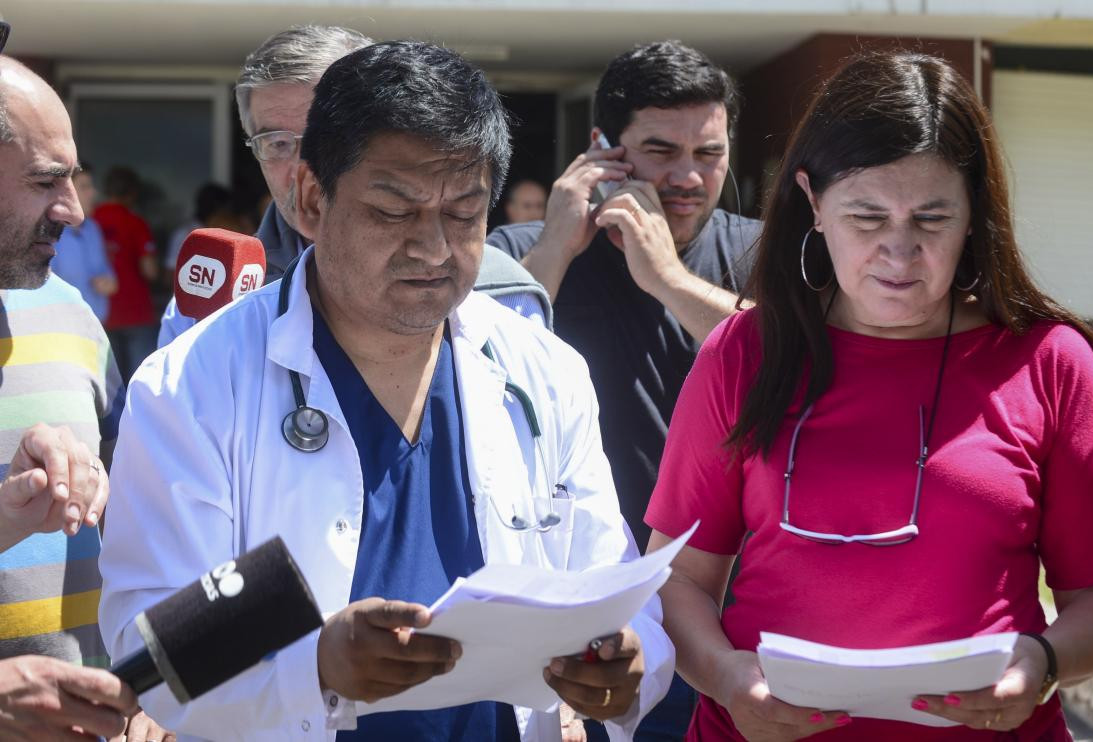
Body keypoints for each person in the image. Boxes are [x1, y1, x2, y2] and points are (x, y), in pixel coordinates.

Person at [98, 40, 672, 741]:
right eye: (394, 210)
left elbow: (606, 581)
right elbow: (146, 654)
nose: (433, 247)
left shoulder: (542, 370)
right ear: (312, 198)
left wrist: (630, 660)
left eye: (463, 213)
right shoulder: (191, 385)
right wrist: (313, 669)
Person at [644, 50, 1093, 741]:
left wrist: (1043, 659)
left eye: (932, 219)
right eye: (868, 217)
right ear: (813, 202)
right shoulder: (741, 354)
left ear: (975, 212)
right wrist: (729, 678)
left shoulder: (1050, 363)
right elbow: (677, 580)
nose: (899, 253)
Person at [487, 41, 760, 554]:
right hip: (573, 568)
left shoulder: (762, 251)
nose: (687, 178)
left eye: (709, 154)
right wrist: (555, 249)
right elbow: (475, 371)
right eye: (660, 151)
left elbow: (789, 363)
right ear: (602, 148)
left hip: (727, 573)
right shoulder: (518, 252)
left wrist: (666, 278)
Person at [157, 26, 550, 349]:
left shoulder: (500, 290)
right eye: (277, 143)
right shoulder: (209, 297)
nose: (302, 166)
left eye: (320, 136)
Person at [0, 55, 164, 742]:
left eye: (73, 177)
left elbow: (138, 538)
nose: (72, 210)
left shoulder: (67, 312)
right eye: (47, 182)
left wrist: (154, 695)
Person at [94, 166, 159, 377]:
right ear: (132, 193)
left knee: (110, 385)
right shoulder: (135, 222)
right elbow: (150, 271)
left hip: (102, 312)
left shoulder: (90, 222)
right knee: (141, 381)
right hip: (136, 312)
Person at [49, 165, 118, 322]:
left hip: (96, 328)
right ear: (65, 191)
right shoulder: (46, 232)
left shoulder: (93, 228)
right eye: (85, 186)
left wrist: (109, 282)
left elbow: (107, 273)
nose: (93, 192)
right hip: (60, 329)